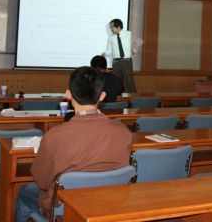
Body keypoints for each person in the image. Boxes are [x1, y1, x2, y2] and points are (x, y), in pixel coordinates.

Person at [15, 66, 132, 222]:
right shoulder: (123, 132)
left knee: (24, 192)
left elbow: (41, 181)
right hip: (108, 206)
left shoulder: (54, 136)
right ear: (102, 96)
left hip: (65, 210)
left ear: (68, 94)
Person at [103, 18, 142, 93]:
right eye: (110, 27)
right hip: (115, 62)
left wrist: (133, 51)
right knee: (116, 82)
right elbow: (109, 51)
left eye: (112, 27)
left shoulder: (128, 34)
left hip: (126, 61)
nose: (111, 29)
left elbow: (139, 41)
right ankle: (118, 97)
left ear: (118, 27)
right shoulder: (111, 38)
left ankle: (133, 98)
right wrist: (105, 54)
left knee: (129, 81)